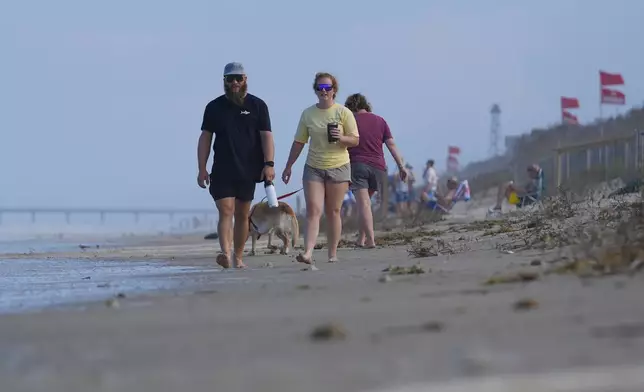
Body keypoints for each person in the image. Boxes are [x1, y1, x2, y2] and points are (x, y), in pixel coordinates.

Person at [197, 62, 275, 269]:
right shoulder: (214, 107)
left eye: (238, 78)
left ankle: (238, 257)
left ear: (245, 80)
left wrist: (269, 164)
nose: (234, 83)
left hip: (248, 168)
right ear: (224, 81)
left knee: (242, 213)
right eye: (230, 79)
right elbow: (205, 138)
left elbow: (267, 136)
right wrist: (202, 168)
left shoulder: (258, 106)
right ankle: (225, 253)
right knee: (226, 210)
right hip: (222, 168)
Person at [282, 72, 359, 264]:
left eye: (327, 88)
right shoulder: (308, 114)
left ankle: (332, 253)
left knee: (333, 211)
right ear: (315, 90)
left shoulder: (343, 113)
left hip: (339, 166)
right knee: (313, 210)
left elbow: (355, 140)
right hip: (314, 167)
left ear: (334, 90)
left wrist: (341, 138)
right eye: (320, 88)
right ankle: (308, 252)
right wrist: (289, 165)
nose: (324, 91)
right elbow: (299, 142)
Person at [344, 93, 406, 248]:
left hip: (357, 166)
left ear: (351, 107)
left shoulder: (349, 121)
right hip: (379, 167)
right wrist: (401, 166)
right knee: (365, 205)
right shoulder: (380, 121)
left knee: (363, 204)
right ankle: (361, 240)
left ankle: (371, 240)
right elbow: (391, 145)